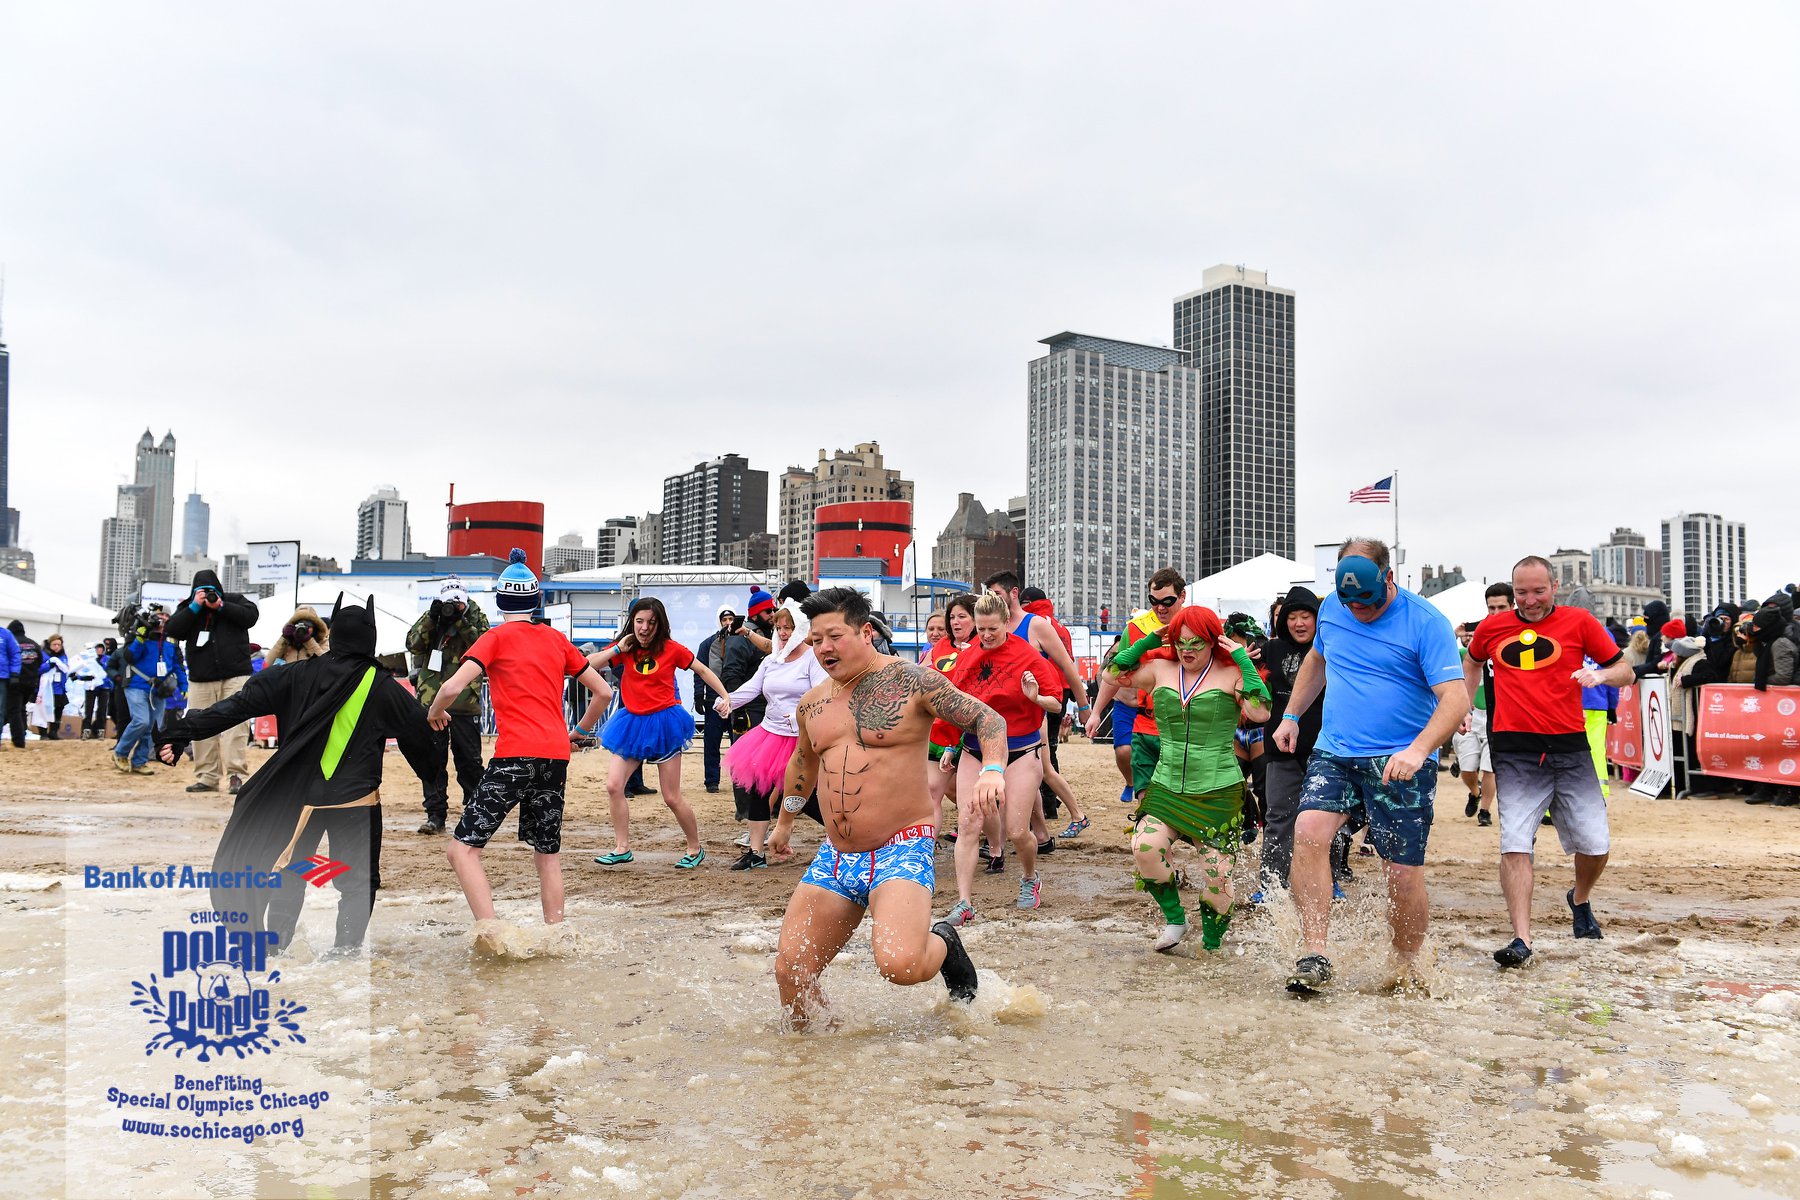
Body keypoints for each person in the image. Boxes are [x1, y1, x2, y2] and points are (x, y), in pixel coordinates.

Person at [767, 587, 1005, 1029]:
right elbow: (803, 762)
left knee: (900, 967)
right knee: (790, 973)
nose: (824, 648)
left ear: (866, 631)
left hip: (900, 846)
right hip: (836, 856)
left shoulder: (911, 680)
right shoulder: (812, 703)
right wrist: (784, 823)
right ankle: (822, 1049)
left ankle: (945, 943)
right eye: (816, 639)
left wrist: (992, 768)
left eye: (834, 636)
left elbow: (986, 718)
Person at [157, 596, 439, 953]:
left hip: (299, 800)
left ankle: (274, 948)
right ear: (371, 637)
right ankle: (345, 952)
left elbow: (236, 707)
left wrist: (182, 731)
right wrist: (433, 779)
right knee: (357, 882)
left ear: (333, 635)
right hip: (356, 801)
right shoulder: (384, 687)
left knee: (291, 874)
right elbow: (422, 743)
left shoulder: (293, 675)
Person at [1274, 539, 1468, 993]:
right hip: (1336, 750)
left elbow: (1455, 698)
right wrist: (1291, 715)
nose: (1359, 611)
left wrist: (1419, 750)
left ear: (1389, 579)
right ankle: (1314, 952)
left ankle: (1406, 966)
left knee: (1400, 870)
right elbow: (1318, 660)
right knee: (1309, 832)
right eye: (1350, 602)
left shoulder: (1426, 623)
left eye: (1369, 601)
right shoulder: (1330, 611)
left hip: (1401, 759)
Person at [428, 552, 612, 927]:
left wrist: (434, 711)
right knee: (547, 856)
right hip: (554, 755)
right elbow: (604, 693)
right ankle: (555, 932)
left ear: (499, 602)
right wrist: (577, 733)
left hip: (514, 755)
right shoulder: (555, 640)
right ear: (537, 600)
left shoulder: (493, 639)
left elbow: (450, 687)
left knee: (461, 852)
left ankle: (491, 930)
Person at [1468, 556, 1634, 967]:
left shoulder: (1579, 622)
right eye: (1521, 592)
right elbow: (1471, 661)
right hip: (1515, 749)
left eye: (1538, 591)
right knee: (1515, 844)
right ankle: (1521, 939)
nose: (1530, 600)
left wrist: (1601, 677)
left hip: (1570, 747)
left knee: (1596, 846)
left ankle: (1579, 898)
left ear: (1554, 586)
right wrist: (1464, 706)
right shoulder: (1492, 627)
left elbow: (1625, 671)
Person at [1105, 606, 1271, 951]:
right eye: (1181, 643)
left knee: (1217, 872)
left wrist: (1243, 661)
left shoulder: (1231, 674)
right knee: (1145, 846)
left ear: (1213, 641)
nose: (1188, 650)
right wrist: (1149, 640)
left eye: (1196, 642)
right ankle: (1175, 921)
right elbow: (1112, 673)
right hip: (1167, 786)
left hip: (1219, 791)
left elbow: (1261, 711)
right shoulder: (1160, 668)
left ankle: (1211, 943)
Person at [938, 593, 1065, 924]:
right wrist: (950, 746)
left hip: (1021, 749)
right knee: (968, 823)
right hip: (975, 748)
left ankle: (1029, 878)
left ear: (1007, 622)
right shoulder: (967, 659)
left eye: (992, 629)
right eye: (980, 629)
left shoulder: (1028, 656)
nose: (985, 636)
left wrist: (1036, 697)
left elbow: (1056, 703)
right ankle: (964, 903)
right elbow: (955, 707)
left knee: (1016, 831)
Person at [587, 596, 731, 867]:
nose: (644, 628)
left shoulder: (672, 649)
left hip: (664, 724)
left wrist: (725, 696)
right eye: (639, 621)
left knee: (671, 796)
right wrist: (617, 647)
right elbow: (588, 665)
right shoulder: (625, 648)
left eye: (650, 623)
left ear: (659, 624)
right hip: (631, 724)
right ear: (632, 622)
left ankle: (694, 848)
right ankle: (622, 848)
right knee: (613, 785)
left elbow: (702, 669)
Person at [719, 600, 827, 870]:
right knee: (758, 789)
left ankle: (846, 838)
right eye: (779, 628)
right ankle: (755, 853)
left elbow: (820, 694)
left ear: (801, 628)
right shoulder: (771, 660)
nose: (783, 633)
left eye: (788, 627)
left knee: (807, 797)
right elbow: (752, 688)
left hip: (801, 739)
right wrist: (727, 701)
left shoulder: (812, 658)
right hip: (769, 734)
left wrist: (798, 716)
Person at [1087, 568, 1187, 805]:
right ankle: (1133, 786)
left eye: (1167, 601)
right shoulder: (1136, 629)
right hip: (1145, 718)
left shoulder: (1196, 623)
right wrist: (1095, 712)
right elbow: (1114, 674)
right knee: (1146, 793)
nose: (1160, 607)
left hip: (1183, 720)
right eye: (1154, 601)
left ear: (1182, 596)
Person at [164, 568, 261, 795]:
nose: (207, 595)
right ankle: (207, 777)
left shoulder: (234, 601)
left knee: (236, 726)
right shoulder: (188, 608)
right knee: (200, 725)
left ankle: (236, 775)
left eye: (210, 591)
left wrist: (221, 606)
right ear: (193, 592)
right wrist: (194, 607)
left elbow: (251, 617)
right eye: (201, 592)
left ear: (219, 589)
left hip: (236, 675)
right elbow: (172, 630)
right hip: (200, 678)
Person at [1256, 586, 1327, 897]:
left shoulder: (1331, 649)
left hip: (1326, 751)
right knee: (1279, 818)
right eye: (1292, 617)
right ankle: (1270, 884)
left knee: (1326, 823)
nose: (1299, 623)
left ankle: (1329, 881)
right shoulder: (1270, 650)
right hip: (1281, 751)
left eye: (1306, 616)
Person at [406, 577, 490, 834]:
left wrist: (461, 622)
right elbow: (412, 644)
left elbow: (485, 646)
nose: (452, 606)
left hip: (465, 702)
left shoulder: (476, 617)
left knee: (470, 762)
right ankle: (435, 815)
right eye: (449, 602)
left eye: (457, 602)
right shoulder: (432, 616)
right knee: (432, 760)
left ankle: (474, 813)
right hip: (431, 703)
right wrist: (432, 619)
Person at [1019, 586, 1090, 838]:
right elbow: (1069, 663)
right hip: (1057, 692)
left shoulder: (1033, 624)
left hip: (1044, 695)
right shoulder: (1056, 624)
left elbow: (1060, 663)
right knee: (1045, 759)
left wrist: (1083, 706)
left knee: (1043, 763)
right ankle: (1051, 812)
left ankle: (1058, 811)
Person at [1453, 583, 1516, 827]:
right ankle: (1475, 792)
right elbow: (1443, 653)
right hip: (1474, 714)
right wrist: (1457, 633)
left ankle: (1485, 811)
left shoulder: (1519, 635)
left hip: (1500, 716)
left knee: (1491, 768)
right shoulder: (1476, 643)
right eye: (1491, 608)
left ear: (1512, 606)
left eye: (1502, 607)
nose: (1496, 613)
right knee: (1468, 769)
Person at [695, 598, 767, 794]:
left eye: (731, 618)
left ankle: (739, 781)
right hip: (713, 700)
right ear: (719, 621)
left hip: (739, 702)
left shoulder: (746, 640)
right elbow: (699, 670)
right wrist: (698, 695)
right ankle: (711, 780)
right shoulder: (707, 644)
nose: (728, 622)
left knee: (739, 743)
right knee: (712, 742)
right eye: (724, 619)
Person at [113, 609, 187, 775]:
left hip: (159, 689)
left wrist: (184, 686)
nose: (163, 619)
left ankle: (140, 761)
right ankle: (121, 752)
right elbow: (129, 657)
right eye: (160, 615)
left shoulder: (172, 640)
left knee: (151, 726)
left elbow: (177, 665)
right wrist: (140, 638)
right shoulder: (139, 632)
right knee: (141, 721)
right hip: (136, 684)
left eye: (167, 616)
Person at [6, 620, 42, 746]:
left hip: (16, 681)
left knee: (14, 710)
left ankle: (19, 739)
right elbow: (40, 661)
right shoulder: (34, 644)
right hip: (31, 683)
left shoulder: (11, 643)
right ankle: (22, 734)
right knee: (20, 708)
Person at [263, 606, 331, 668]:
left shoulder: (323, 642)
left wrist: (308, 641)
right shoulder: (289, 643)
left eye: (307, 626)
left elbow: (325, 665)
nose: (303, 629)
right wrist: (283, 639)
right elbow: (267, 663)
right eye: (299, 625)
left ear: (315, 627)